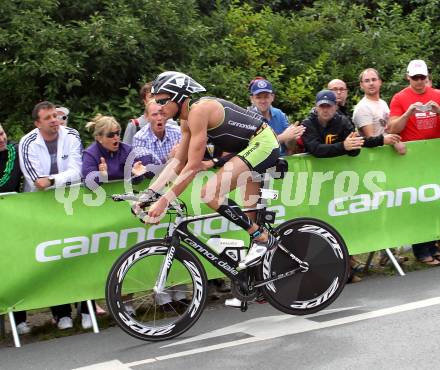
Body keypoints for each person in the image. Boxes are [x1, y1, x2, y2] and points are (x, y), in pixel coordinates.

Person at [134, 71, 280, 267]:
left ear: (177, 98)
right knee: (250, 220)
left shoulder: (198, 112)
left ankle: (262, 237)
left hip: (263, 142)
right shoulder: (185, 120)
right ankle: (260, 282)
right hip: (247, 148)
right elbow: (178, 162)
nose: (159, 108)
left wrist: (163, 201)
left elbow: (192, 167)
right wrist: (150, 194)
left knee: (210, 193)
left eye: (162, 101)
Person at [19, 101, 82, 330]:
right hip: (40, 210)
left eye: (55, 116)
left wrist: (54, 179)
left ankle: (83, 310)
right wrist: (55, 179)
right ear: (37, 123)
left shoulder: (72, 134)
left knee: (75, 255)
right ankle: (60, 312)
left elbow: (77, 172)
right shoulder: (27, 143)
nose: (54, 120)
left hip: (69, 205)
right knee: (49, 260)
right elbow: (36, 182)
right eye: (48, 118)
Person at [388, 59, 440, 265]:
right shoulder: (400, 98)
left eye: (422, 77)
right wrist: (409, 111)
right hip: (413, 159)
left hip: (434, 155)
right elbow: (392, 128)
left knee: (436, 200)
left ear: (428, 77)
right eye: (415, 78)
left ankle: (433, 245)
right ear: (408, 77)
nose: (419, 82)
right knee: (420, 202)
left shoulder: (437, 95)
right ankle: (421, 250)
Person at [82, 114, 146, 188]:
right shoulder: (90, 154)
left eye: (117, 133)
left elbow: (137, 182)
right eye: (110, 135)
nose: (116, 138)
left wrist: (137, 174)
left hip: (124, 194)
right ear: (99, 138)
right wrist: (101, 175)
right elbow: (88, 183)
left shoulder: (127, 150)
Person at [353, 68, 406, 155]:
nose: (371, 83)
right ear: (361, 85)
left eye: (374, 79)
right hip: (374, 155)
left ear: (380, 82)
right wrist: (395, 142)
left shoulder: (383, 103)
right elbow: (371, 139)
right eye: (367, 81)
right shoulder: (362, 107)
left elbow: (389, 128)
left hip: (389, 152)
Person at [248, 78, 305, 155]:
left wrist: (292, 136)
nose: (263, 101)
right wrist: (284, 137)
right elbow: (257, 147)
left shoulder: (280, 114)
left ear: (272, 97)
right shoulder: (248, 118)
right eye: (258, 97)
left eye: (266, 97)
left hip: (282, 162)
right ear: (252, 99)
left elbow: (290, 147)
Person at [132, 101, 181, 166]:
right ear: (146, 117)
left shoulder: (178, 132)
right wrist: (168, 158)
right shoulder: (140, 138)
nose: (159, 118)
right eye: (154, 114)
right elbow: (148, 170)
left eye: (162, 114)